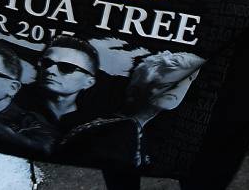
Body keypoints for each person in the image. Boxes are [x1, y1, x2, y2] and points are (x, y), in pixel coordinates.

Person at [60, 51, 205, 186]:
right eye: (166, 84)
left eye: (186, 80)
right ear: (135, 89)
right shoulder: (124, 130)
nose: (178, 87)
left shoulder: (126, 129)